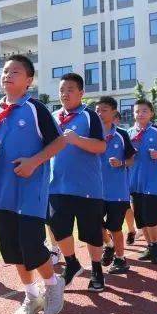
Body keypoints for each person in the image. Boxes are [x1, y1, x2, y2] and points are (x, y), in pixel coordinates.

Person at [0, 55, 67, 314]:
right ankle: (31, 295)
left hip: (31, 189)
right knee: (11, 249)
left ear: (28, 80)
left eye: (15, 72)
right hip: (3, 189)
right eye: (5, 71)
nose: (8, 75)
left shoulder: (35, 108)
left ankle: (53, 285)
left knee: (31, 245)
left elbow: (59, 143)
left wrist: (33, 162)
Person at [47, 72, 108, 290]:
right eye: (62, 90)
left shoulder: (90, 116)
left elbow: (101, 146)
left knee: (91, 233)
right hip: (57, 185)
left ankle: (97, 269)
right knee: (57, 226)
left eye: (70, 90)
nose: (65, 94)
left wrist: (77, 140)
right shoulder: (53, 117)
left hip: (86, 187)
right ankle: (72, 262)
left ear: (81, 93)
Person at [127, 99, 157, 263]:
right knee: (140, 219)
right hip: (134, 182)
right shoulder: (129, 133)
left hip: (153, 182)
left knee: (151, 217)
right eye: (137, 111)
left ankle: (156, 247)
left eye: (144, 111)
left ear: (151, 113)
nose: (140, 114)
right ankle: (150, 247)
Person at [96, 97, 136, 274]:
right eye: (97, 109)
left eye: (104, 109)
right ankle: (109, 244)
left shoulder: (122, 134)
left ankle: (120, 259)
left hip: (116, 190)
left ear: (113, 113)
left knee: (115, 227)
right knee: (94, 224)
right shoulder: (91, 134)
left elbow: (131, 160)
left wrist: (120, 163)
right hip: (94, 189)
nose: (99, 113)